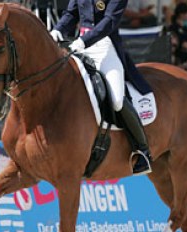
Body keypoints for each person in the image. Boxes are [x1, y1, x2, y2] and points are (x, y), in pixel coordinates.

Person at [50, 0, 152, 175]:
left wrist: (84, 41)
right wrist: (58, 30)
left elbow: (110, 21)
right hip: (80, 45)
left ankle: (142, 149)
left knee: (118, 100)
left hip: (105, 45)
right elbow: (71, 14)